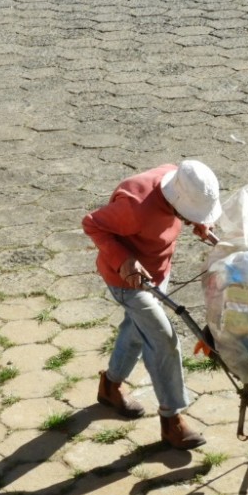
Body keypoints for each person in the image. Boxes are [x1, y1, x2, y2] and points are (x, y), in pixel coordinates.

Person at [81, 160, 221, 450]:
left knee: (135, 331)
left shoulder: (176, 178)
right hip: (129, 282)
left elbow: (184, 206)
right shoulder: (135, 207)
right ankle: (172, 419)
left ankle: (110, 386)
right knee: (164, 339)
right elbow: (92, 224)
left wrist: (199, 221)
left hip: (159, 271)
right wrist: (124, 260)